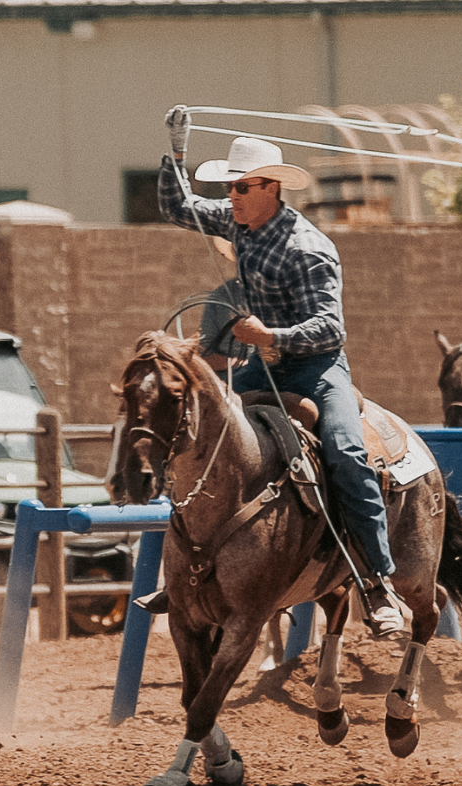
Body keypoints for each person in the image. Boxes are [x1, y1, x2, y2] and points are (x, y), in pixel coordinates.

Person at [158, 109, 409, 638]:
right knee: (204, 440)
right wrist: (178, 149)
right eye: (230, 187)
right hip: (261, 368)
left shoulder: (310, 249)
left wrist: (269, 338)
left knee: (345, 452)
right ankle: (190, 571)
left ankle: (376, 582)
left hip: (317, 369)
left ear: (271, 188)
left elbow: (330, 330)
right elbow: (176, 205)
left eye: (242, 187)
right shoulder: (238, 222)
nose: (232, 197)